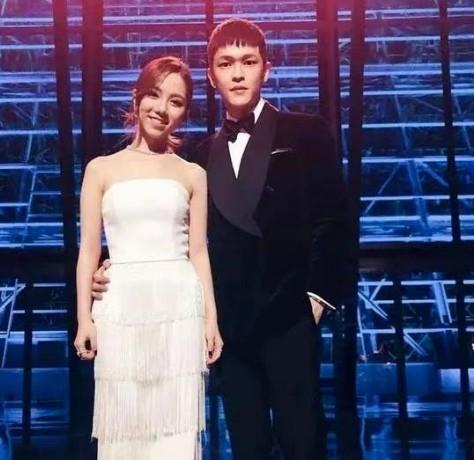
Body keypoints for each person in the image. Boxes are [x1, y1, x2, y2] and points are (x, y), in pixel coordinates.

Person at [93, 18, 349, 460]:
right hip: (230, 324)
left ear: (266, 69)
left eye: (248, 62)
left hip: (290, 314)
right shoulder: (197, 155)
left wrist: (316, 300)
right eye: (226, 63)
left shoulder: (306, 131)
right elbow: (164, 222)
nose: (238, 73)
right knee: (247, 445)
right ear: (211, 76)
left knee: (303, 441)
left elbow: (334, 220)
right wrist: (110, 264)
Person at [74, 56, 223, 460]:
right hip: (120, 309)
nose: (162, 109)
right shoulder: (100, 170)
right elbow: (89, 250)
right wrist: (84, 318)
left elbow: (198, 251)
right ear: (137, 97)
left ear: (184, 112)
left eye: (176, 101)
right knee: (124, 428)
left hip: (179, 309)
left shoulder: (192, 174)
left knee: (175, 433)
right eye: (154, 95)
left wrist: (211, 318)